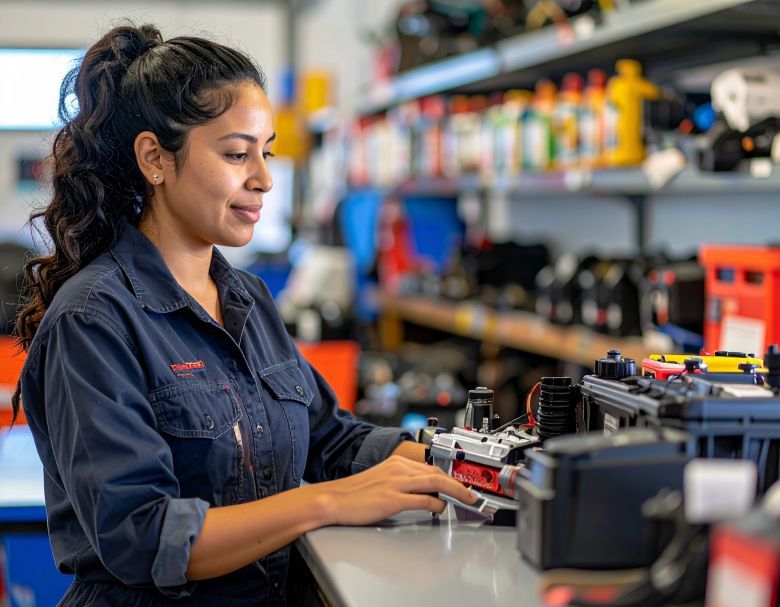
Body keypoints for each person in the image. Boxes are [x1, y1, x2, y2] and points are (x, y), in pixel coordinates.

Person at [12, 23, 476, 606]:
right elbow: (144, 536)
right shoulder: (95, 319)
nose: (262, 180)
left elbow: (330, 442)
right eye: (236, 154)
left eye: (266, 152)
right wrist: (325, 502)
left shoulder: (247, 298)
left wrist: (466, 460)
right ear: (154, 158)